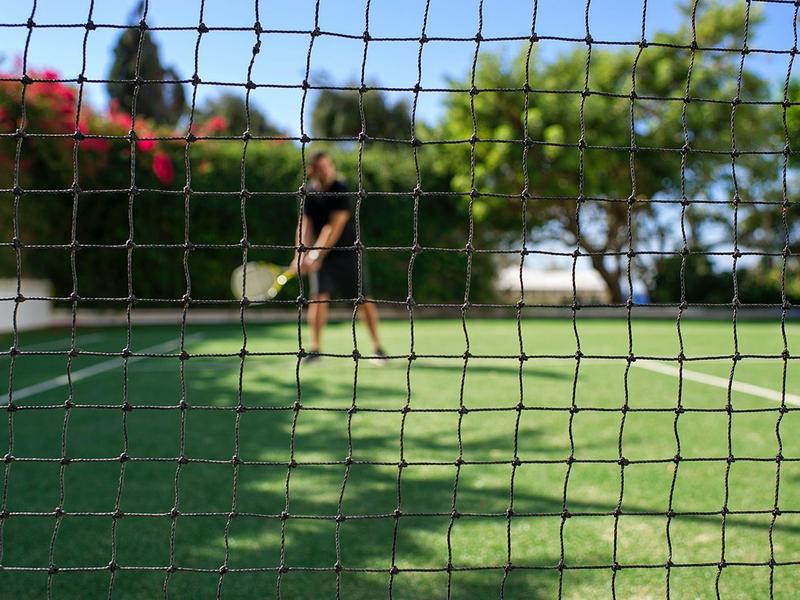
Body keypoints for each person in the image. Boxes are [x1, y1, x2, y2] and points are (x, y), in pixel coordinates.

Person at [293, 151, 386, 363]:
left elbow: (332, 228)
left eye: (328, 165)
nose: (327, 170)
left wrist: (315, 254)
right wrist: (299, 255)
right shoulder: (309, 193)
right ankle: (315, 350)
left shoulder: (340, 190)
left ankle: (377, 348)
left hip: (349, 252)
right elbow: (304, 226)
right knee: (317, 298)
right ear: (312, 171)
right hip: (323, 255)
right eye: (322, 167)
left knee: (363, 299)